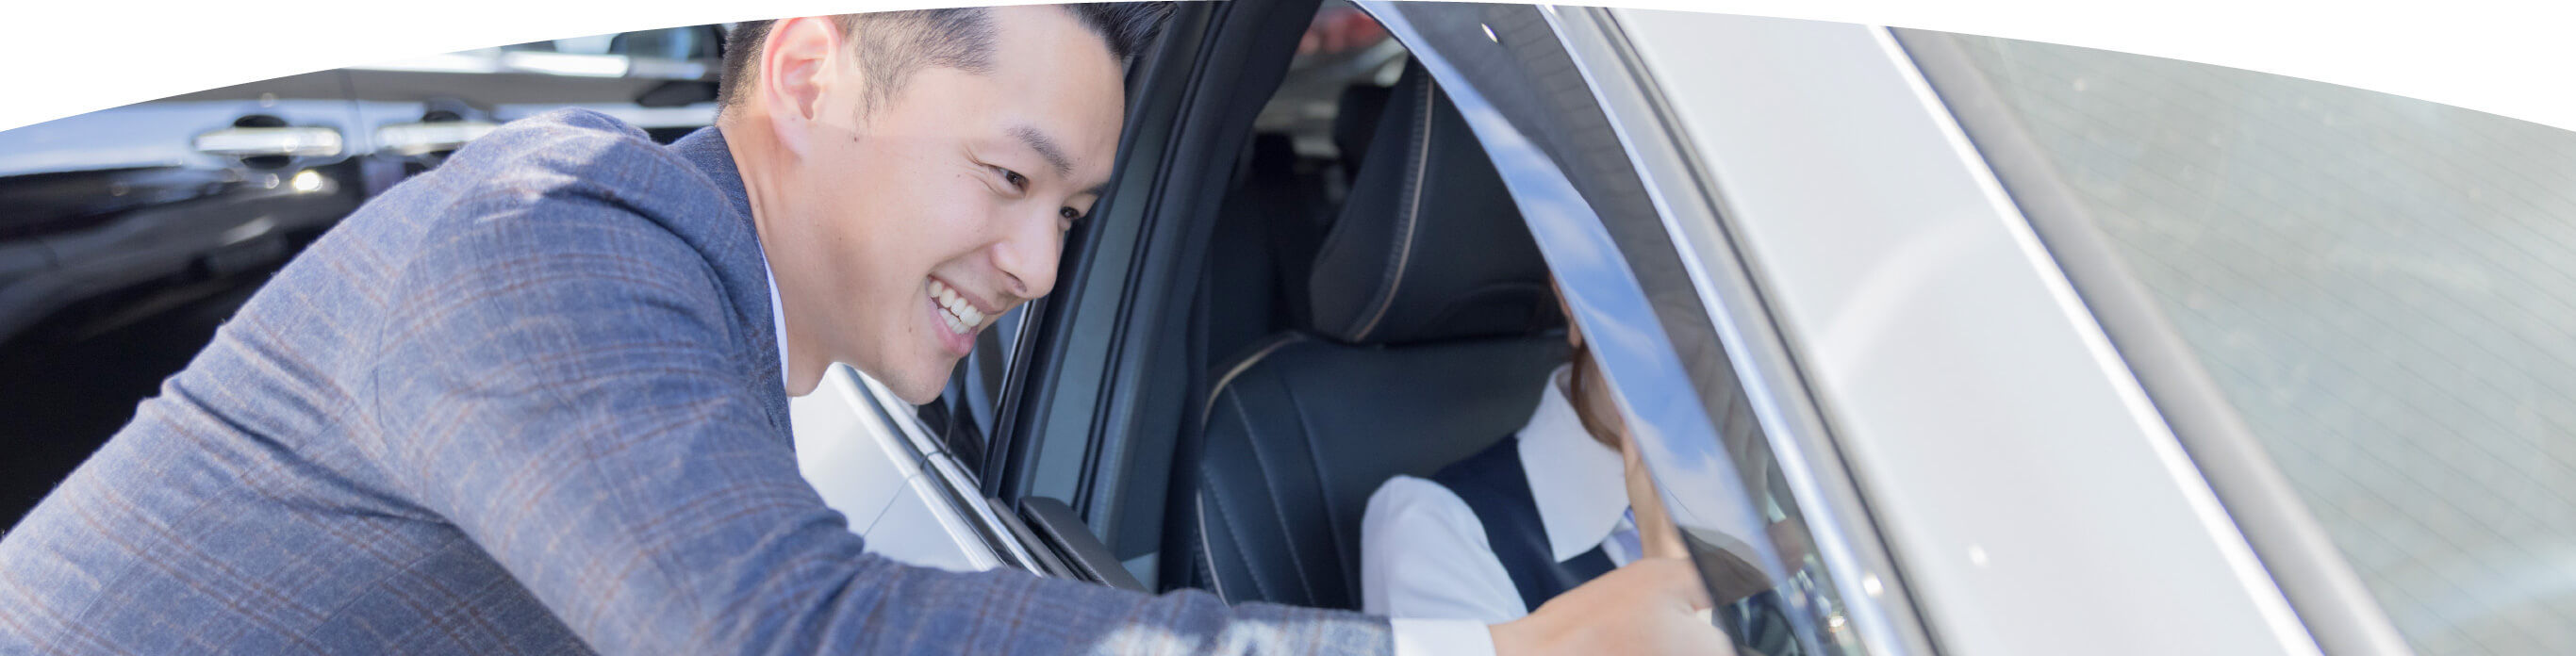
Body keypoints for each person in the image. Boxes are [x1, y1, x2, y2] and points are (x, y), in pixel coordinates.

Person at [0, 6, 1725, 655]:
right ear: (813, 74)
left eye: (1073, 217)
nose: (1036, 267)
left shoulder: (710, 320)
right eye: (1008, 178)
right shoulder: (548, 240)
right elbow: (792, 632)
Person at [1362, 281, 1789, 653]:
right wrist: (1673, 563)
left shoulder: (1785, 488)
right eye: (1675, 291)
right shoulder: (1438, 528)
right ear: (1573, 295)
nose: (1716, 342)